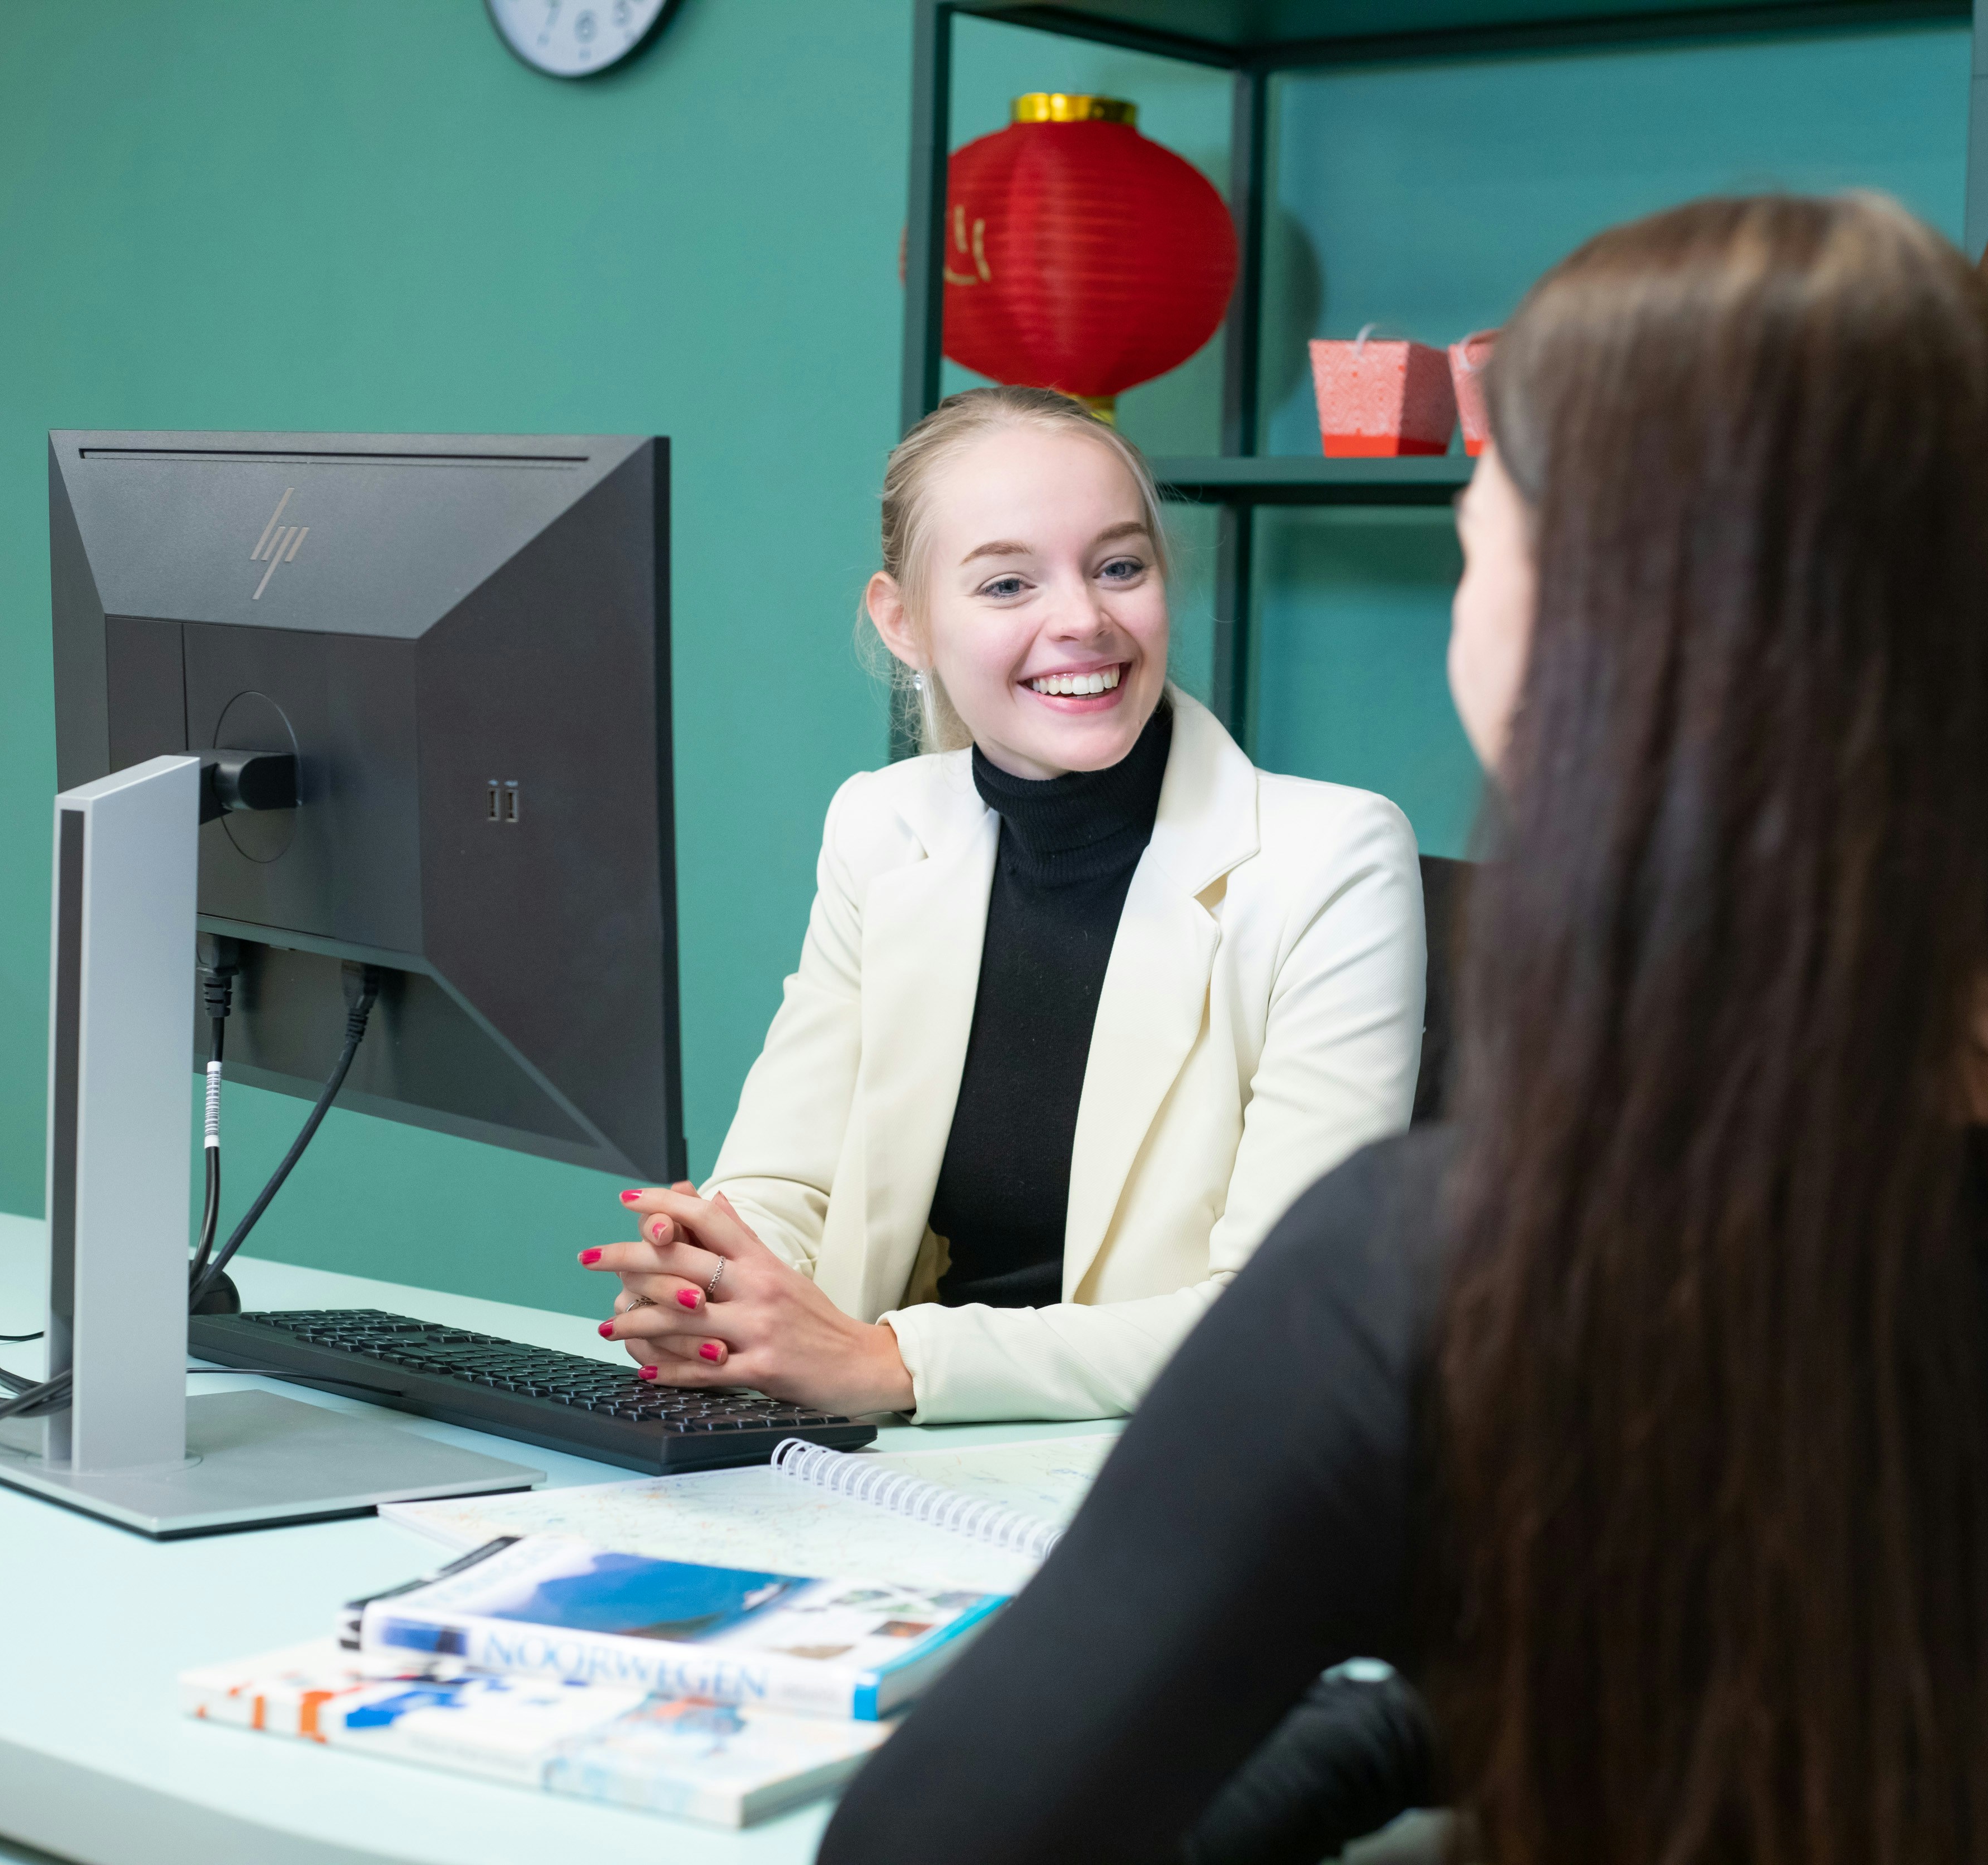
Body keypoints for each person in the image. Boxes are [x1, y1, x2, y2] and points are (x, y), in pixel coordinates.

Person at [816, 194, 1988, 1864]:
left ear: (1576, 648)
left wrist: (1385, 1711)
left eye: (1477, 540)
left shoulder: (1430, 1267)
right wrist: (1425, 1710)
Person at [580, 385, 1425, 1422]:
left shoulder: (1331, 858)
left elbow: (1288, 1317)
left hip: (1176, 1465)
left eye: (1121, 567)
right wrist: (704, 1275)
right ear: (904, 620)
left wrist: (894, 1363)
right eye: (1009, 583)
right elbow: (783, 1183)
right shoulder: (881, 827)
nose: (1083, 620)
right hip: (908, 1474)